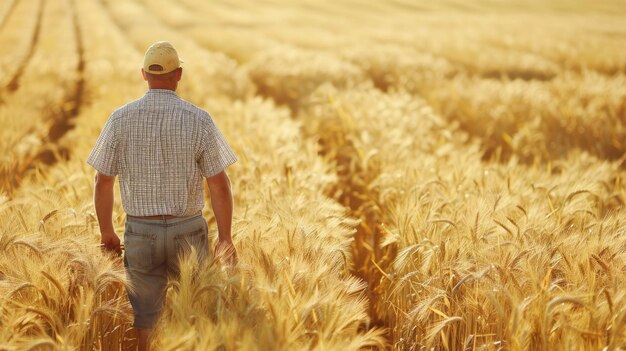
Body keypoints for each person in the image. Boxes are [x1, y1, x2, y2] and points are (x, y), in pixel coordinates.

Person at [87, 41, 237, 351]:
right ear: (178, 74)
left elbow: (103, 180)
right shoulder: (200, 119)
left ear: (143, 74)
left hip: (141, 232)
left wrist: (106, 231)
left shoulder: (120, 119)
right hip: (188, 231)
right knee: (194, 313)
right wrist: (225, 237)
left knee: (145, 318)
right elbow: (219, 185)